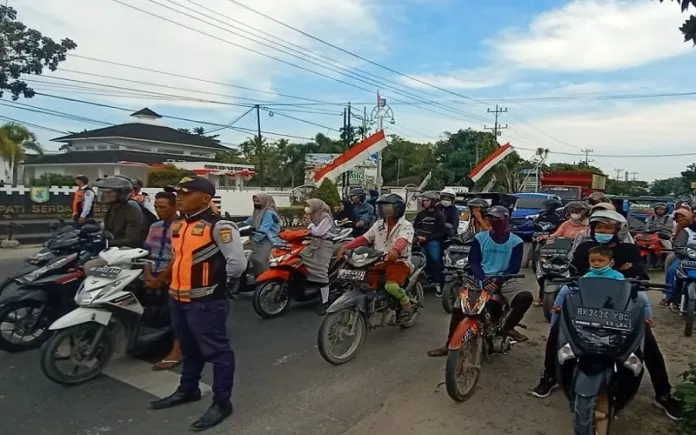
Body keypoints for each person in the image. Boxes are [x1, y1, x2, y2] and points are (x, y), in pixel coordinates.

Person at [531, 209, 683, 421]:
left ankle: (663, 393)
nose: (603, 231)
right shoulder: (584, 246)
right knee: (558, 332)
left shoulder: (629, 249)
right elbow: (575, 271)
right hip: (586, 302)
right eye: (599, 227)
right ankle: (549, 375)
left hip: (620, 305)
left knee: (646, 340)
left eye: (607, 227)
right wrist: (620, 270)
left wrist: (624, 274)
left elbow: (639, 273)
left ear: (618, 229)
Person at [149, 176, 246, 431]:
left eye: (185, 192)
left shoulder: (219, 226)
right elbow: (178, 259)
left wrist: (216, 287)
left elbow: (237, 264)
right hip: (178, 298)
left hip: (206, 301)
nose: (178, 197)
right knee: (190, 349)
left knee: (219, 353)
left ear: (205, 198)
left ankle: (222, 403)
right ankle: (187, 389)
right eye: (177, 193)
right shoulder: (179, 225)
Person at [428, 205, 532, 356]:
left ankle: (508, 326)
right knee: (459, 308)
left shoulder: (516, 242)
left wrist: (497, 281)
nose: (494, 221)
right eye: (491, 218)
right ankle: (449, 344)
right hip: (479, 276)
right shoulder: (480, 238)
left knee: (524, 297)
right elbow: (474, 261)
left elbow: (514, 268)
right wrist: (483, 279)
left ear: (506, 220)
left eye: (498, 219)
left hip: (505, 279)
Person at [339, 193, 416, 324]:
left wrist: (395, 250)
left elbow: (402, 241)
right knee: (365, 283)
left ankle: (406, 305)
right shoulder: (378, 224)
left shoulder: (406, 225)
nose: (383, 209)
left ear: (398, 208)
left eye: (387, 207)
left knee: (391, 287)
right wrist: (346, 246)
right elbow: (364, 238)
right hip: (379, 260)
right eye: (381, 206)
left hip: (399, 262)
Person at [550, 245, 654, 327]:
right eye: (593, 261)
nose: (596, 263)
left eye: (600, 261)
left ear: (611, 262)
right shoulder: (587, 276)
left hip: (613, 306)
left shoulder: (617, 276)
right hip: (590, 307)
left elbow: (623, 292)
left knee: (640, 301)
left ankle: (647, 322)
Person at [143, 191, 182, 371]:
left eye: (163, 207)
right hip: (154, 272)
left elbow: (178, 258)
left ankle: (177, 352)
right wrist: (149, 274)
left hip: (174, 275)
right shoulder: (155, 227)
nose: (159, 211)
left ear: (174, 207)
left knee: (177, 315)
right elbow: (147, 252)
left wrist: (160, 279)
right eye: (157, 207)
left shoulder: (182, 227)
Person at [301, 198, 338, 315]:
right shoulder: (314, 216)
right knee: (302, 257)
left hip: (325, 245)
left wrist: (310, 224)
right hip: (314, 244)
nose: (308, 208)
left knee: (321, 272)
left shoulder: (325, 216)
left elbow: (319, 232)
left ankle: (324, 302)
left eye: (309, 206)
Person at [414, 191, 447, 297]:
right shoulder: (420, 214)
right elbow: (415, 227)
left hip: (433, 241)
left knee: (435, 259)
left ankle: (438, 284)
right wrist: (417, 236)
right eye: (423, 200)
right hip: (419, 240)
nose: (424, 202)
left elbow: (441, 232)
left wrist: (427, 238)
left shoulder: (439, 215)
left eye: (427, 200)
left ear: (433, 202)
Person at [97, 176, 145, 247]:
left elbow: (132, 240)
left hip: (126, 253)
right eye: (103, 192)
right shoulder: (111, 209)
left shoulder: (132, 212)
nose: (104, 195)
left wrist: (105, 243)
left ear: (122, 193)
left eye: (109, 192)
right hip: (111, 251)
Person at [243, 193, 282, 277]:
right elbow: (248, 221)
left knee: (261, 261)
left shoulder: (269, 213)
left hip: (268, 240)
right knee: (254, 260)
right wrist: (232, 224)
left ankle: (266, 280)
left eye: (258, 201)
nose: (256, 203)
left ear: (264, 201)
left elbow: (264, 229)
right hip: (258, 239)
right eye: (255, 201)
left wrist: (253, 240)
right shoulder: (258, 211)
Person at [663, 208, 696, 307]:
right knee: (671, 271)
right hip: (685, 259)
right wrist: (683, 251)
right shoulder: (687, 231)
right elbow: (678, 244)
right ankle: (669, 296)